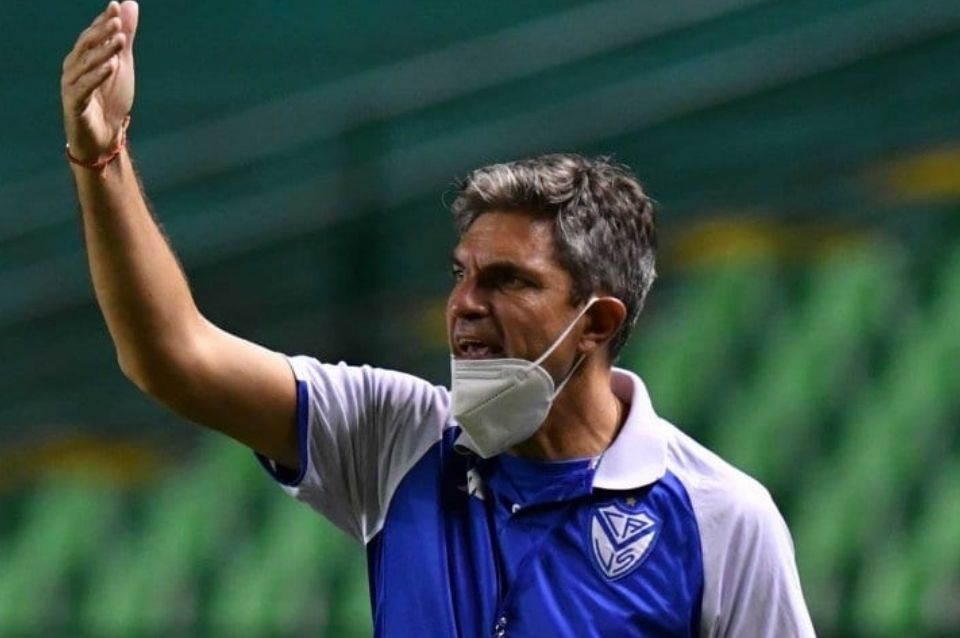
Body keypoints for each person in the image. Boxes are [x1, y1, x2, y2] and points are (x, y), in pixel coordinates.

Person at [62, 2, 816, 636]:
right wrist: (103, 157)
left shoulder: (721, 519)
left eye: (508, 281)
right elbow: (173, 356)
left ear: (596, 322)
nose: (465, 304)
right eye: (461, 275)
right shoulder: (397, 435)